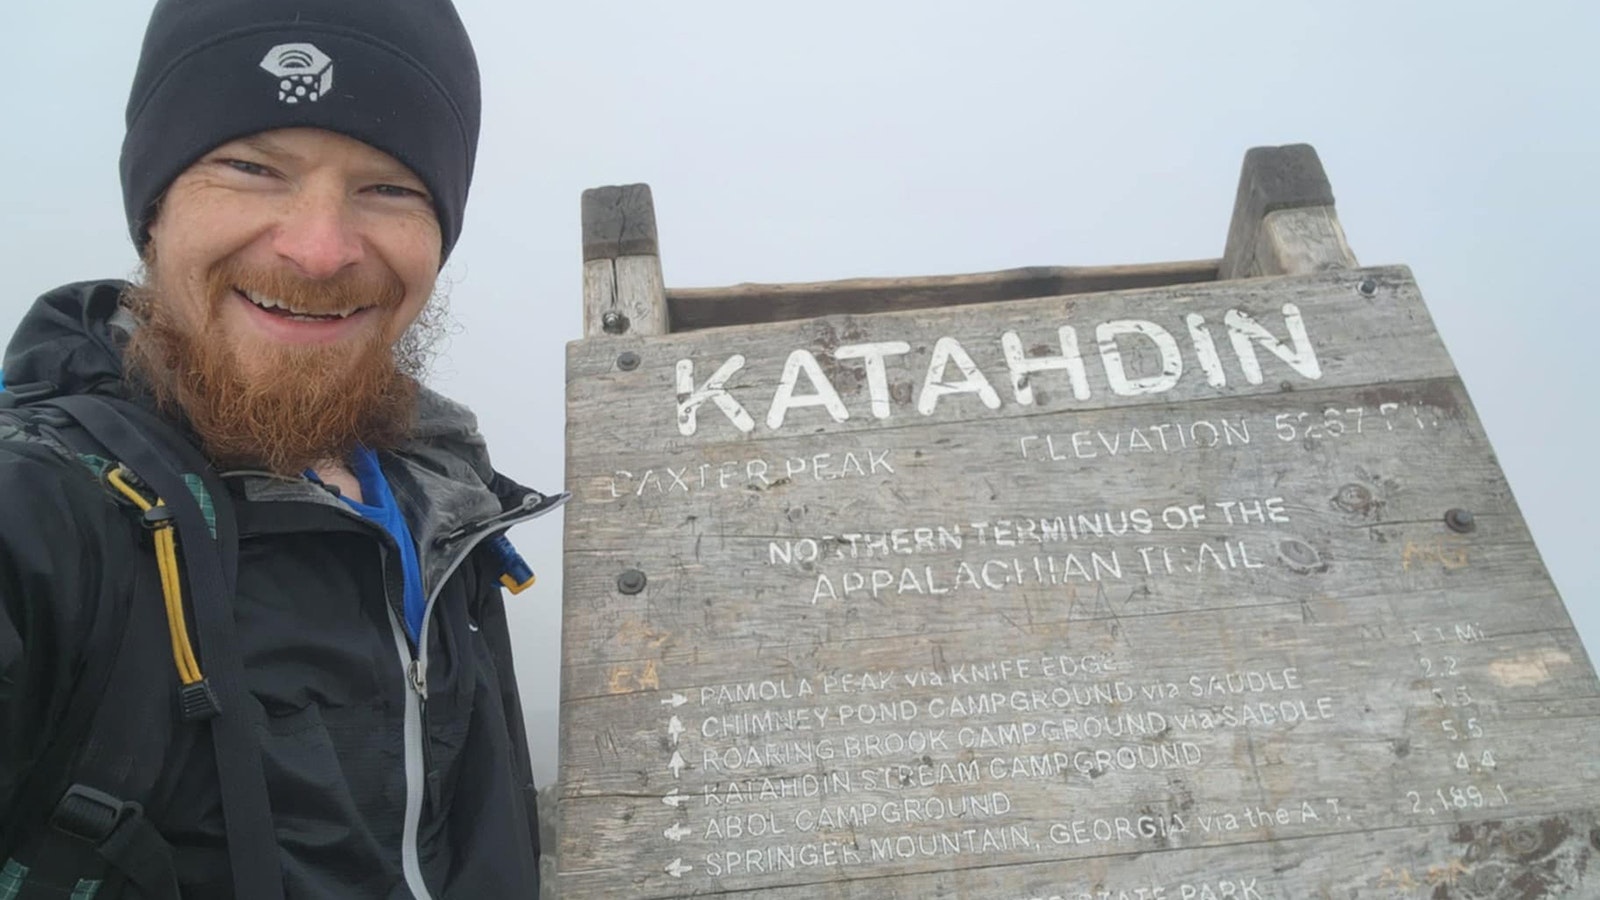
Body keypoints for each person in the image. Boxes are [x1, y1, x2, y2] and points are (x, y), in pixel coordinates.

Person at [0, 0, 558, 897]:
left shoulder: (443, 507)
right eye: (252, 167)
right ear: (154, 208)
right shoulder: (40, 505)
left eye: (389, 187)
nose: (320, 249)